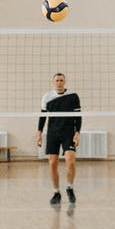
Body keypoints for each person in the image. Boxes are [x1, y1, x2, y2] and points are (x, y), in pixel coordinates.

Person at [36, 73, 81, 204]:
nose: (59, 83)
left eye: (61, 80)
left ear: (65, 82)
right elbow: (42, 116)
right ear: (53, 82)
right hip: (53, 133)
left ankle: (70, 188)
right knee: (52, 163)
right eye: (57, 80)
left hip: (68, 133)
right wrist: (39, 133)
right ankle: (56, 193)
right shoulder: (47, 97)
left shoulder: (73, 97)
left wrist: (77, 133)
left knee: (71, 161)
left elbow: (78, 116)